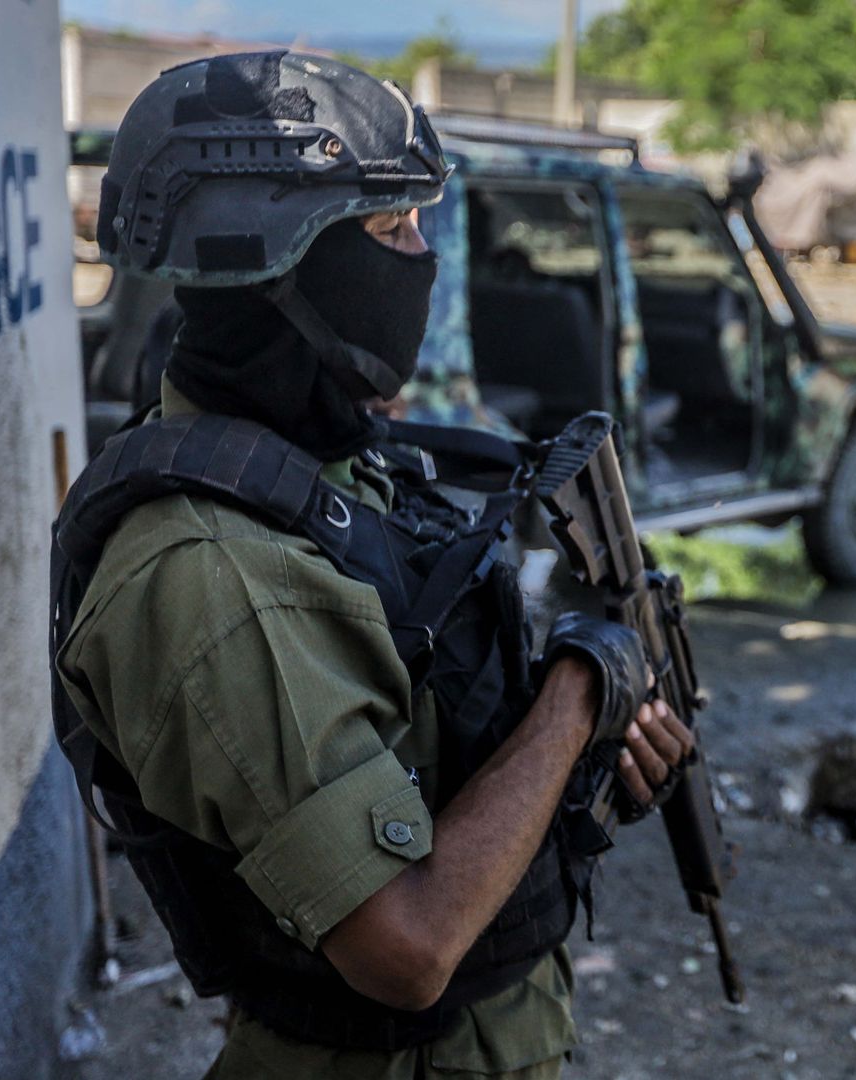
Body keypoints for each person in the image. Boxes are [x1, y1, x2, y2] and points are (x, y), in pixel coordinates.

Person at [51, 52, 692, 1077]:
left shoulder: (325, 461)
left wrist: (581, 766)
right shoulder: (209, 575)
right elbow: (405, 947)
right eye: (391, 229)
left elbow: (427, 733)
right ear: (283, 261)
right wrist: (579, 695)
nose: (421, 258)